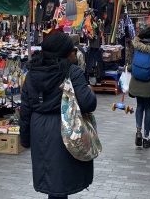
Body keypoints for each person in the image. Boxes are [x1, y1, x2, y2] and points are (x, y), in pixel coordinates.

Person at [20, 31, 97, 199]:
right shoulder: (72, 71)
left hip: (39, 127)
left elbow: (25, 109)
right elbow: (88, 103)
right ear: (64, 52)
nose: (74, 54)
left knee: (51, 178)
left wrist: (24, 138)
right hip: (66, 126)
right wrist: (88, 91)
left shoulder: (32, 72)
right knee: (61, 180)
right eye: (72, 51)